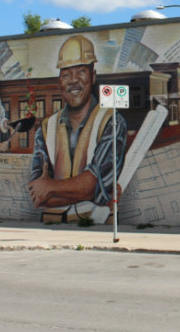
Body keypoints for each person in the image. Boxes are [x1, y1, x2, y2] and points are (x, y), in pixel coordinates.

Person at [27, 35, 126, 216]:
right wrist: (91, 192)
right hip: (51, 229)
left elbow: (93, 186)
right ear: (59, 81)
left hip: (98, 230)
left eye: (80, 71)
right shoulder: (47, 127)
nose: (73, 80)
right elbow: (37, 194)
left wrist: (51, 187)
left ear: (93, 76)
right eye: (66, 74)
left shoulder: (111, 122)